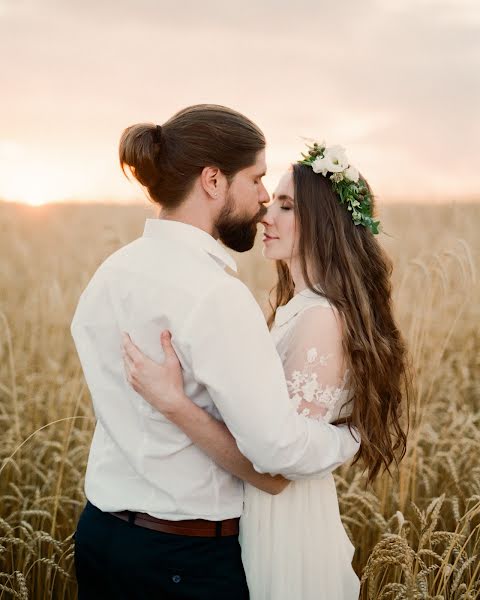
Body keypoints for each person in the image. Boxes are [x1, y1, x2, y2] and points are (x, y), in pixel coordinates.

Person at [70, 106, 361, 600]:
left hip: (100, 538)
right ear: (212, 180)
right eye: (257, 179)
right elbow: (275, 456)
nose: (265, 199)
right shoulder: (215, 294)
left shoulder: (111, 274)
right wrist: (347, 439)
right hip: (181, 561)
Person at [121, 142, 410, 599]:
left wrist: (175, 403)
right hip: (267, 511)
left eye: (287, 205)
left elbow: (275, 469)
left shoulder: (320, 319)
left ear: (327, 222)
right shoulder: (298, 307)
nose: (265, 216)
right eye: (270, 199)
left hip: (285, 520)